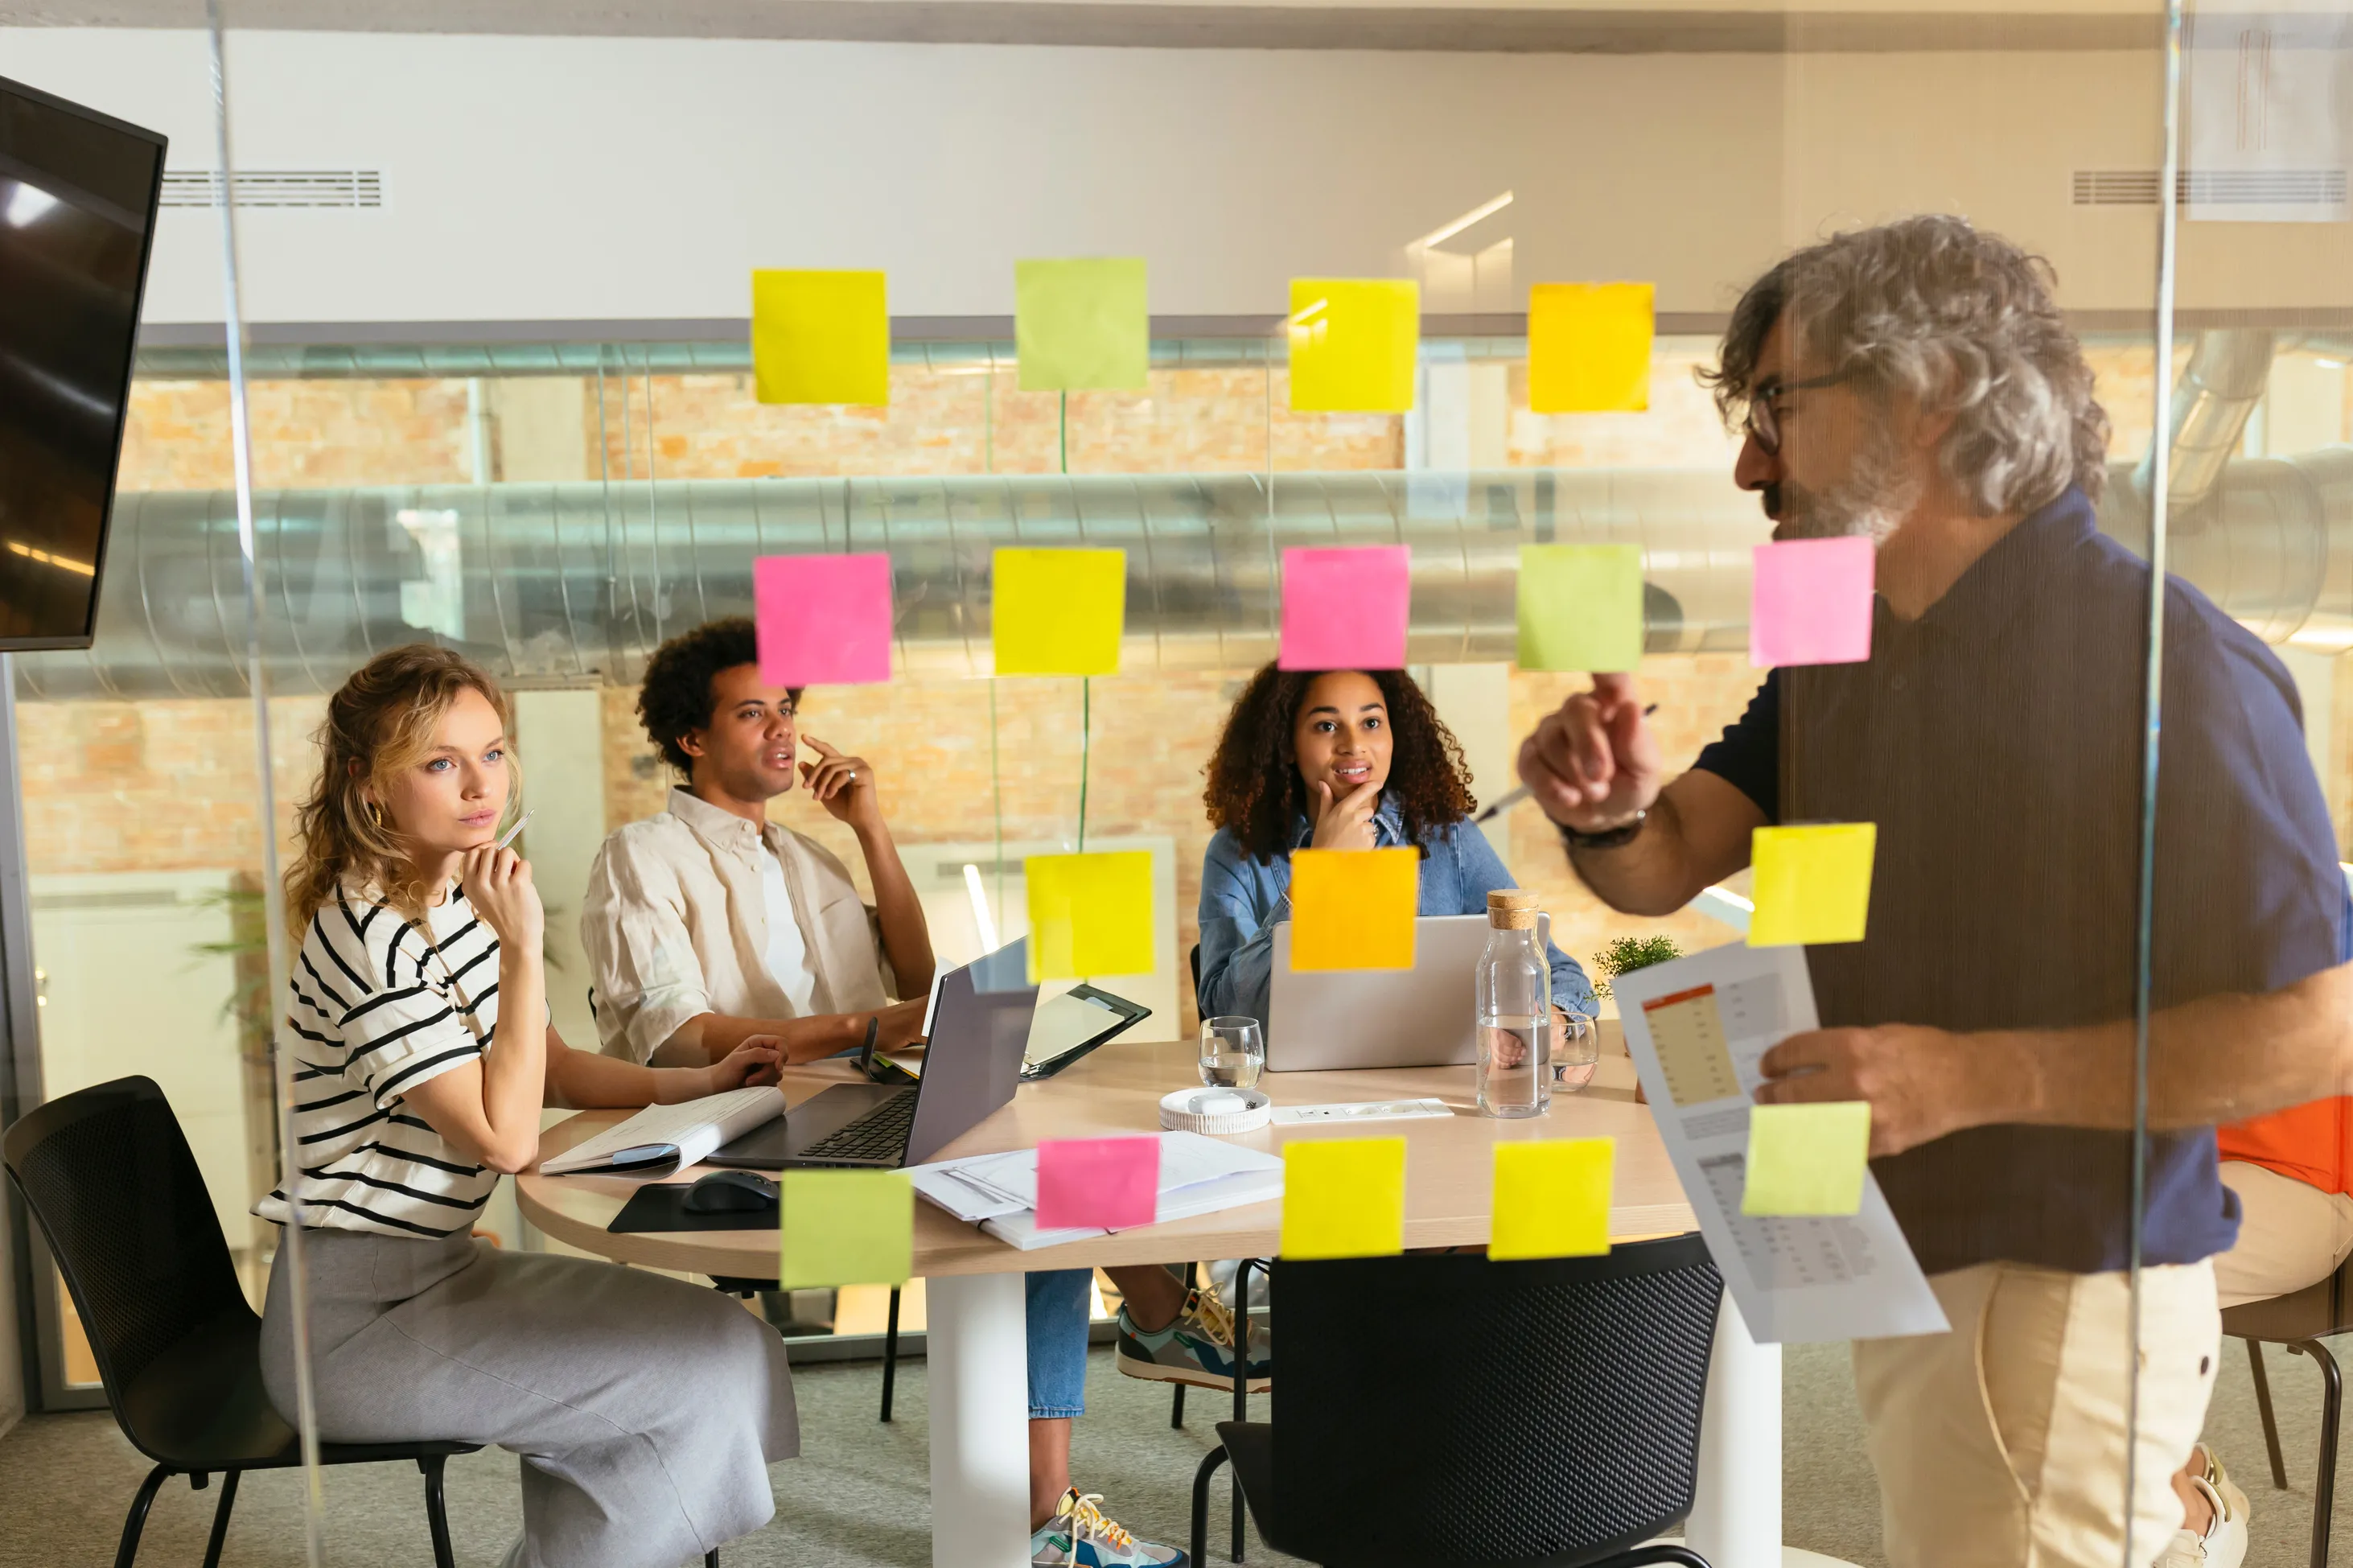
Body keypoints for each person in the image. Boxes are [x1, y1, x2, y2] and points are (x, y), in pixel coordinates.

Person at [1515, 216, 2350, 1566]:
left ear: (1933, 394)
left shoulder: (2162, 663)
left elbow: (2314, 1024)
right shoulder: (1849, 639)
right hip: (1911, 1256)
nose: (1747, 461)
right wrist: (1605, 810)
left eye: (1779, 408)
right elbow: (1670, 854)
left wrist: (1965, 1077)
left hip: (2057, 1279)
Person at [582, 617, 1266, 1568]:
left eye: (788, 708)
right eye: (753, 712)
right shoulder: (642, 856)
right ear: (691, 739)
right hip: (744, 1157)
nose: (783, 729)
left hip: (847, 1118)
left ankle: (1121, 1379)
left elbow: (912, 974)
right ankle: (1132, 1364)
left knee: (1040, 1153)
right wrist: (876, 1028)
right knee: (1031, 1192)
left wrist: (870, 826)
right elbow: (679, 1035)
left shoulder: (808, 857)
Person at [254, 644, 796, 1568]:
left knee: (732, 1340)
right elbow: (509, 1139)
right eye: (440, 761)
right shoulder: (367, 941)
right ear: (367, 782)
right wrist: (523, 944)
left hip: (445, 1271)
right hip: (355, 1325)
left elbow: (547, 1066)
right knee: (694, 1379)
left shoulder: (453, 897)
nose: (480, 785)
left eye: (493, 752)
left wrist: (702, 1084)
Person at [1199, 663, 1597, 1026]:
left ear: (1395, 735)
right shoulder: (1238, 851)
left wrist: (1558, 1021)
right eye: (1326, 726)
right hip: (1297, 1094)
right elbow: (1227, 1014)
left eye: (1371, 722)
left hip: (1429, 1085)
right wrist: (1318, 877)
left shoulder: (1448, 838)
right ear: (1287, 744)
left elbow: (1557, 972)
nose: (1354, 745)